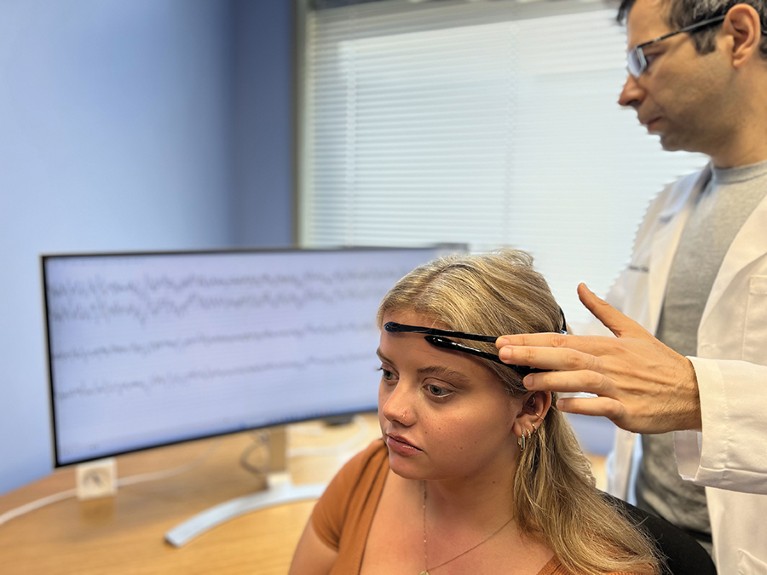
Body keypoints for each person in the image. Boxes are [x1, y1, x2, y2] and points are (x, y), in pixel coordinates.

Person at [494, 1, 767, 573]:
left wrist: (697, 395)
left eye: (646, 57)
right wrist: (481, 333)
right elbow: (603, 345)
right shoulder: (669, 207)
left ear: (737, 36)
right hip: (652, 548)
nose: (627, 92)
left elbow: (669, 383)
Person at [290, 249, 666, 575]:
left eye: (437, 389)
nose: (393, 409)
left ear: (530, 407)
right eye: (389, 373)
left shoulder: (600, 567)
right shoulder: (365, 477)